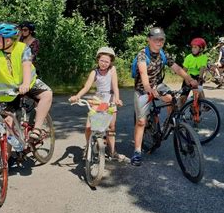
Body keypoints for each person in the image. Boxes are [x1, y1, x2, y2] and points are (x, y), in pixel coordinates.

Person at [131, 27, 198, 166]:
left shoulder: (163, 54)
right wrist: (149, 88)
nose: (159, 42)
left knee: (172, 100)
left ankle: (171, 123)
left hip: (158, 86)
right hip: (143, 89)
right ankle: (137, 152)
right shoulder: (143, 55)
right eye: (156, 39)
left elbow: (176, 68)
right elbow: (143, 74)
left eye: (161, 39)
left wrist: (189, 78)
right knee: (141, 122)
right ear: (149, 40)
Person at [69, 47, 123, 160]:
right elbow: (87, 86)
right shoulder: (94, 72)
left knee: (111, 127)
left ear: (110, 62)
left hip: (110, 98)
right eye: (102, 60)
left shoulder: (112, 70)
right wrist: (77, 96)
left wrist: (117, 99)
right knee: (89, 126)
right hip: (98, 99)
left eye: (107, 61)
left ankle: (112, 152)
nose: (104, 63)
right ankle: (88, 147)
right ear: (98, 59)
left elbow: (115, 87)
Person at [178, 37, 208, 107]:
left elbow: (202, 68)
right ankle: (178, 110)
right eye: (192, 47)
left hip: (198, 77)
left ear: (201, 49)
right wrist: (186, 80)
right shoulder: (188, 57)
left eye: (195, 47)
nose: (193, 49)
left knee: (199, 90)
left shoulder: (203, 57)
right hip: (188, 77)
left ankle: (204, 104)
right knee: (183, 97)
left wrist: (200, 78)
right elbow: (184, 70)